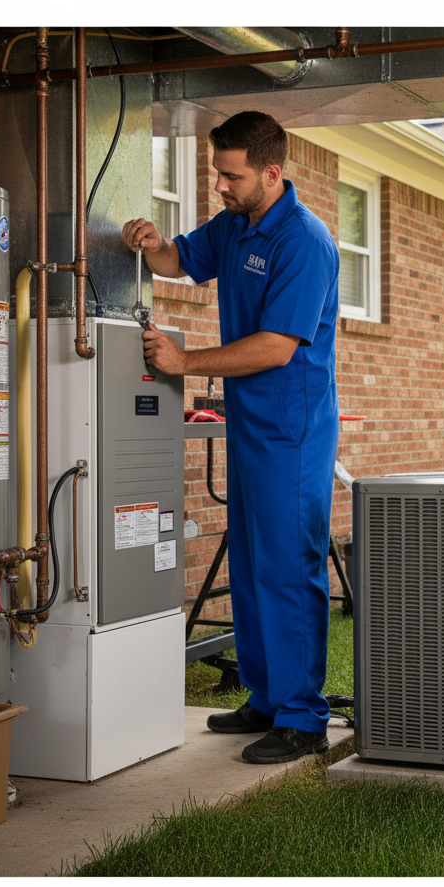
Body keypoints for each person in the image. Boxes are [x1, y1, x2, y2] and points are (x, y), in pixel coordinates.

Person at [122, 111, 339, 765]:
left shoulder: (305, 241)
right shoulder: (235, 224)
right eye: (217, 172)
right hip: (249, 423)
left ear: (271, 173)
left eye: (230, 175)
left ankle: (302, 717)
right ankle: (266, 698)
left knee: (287, 567)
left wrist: (185, 362)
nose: (219, 185)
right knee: (248, 562)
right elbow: (178, 260)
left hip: (292, 431)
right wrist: (151, 242)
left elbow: (276, 347)